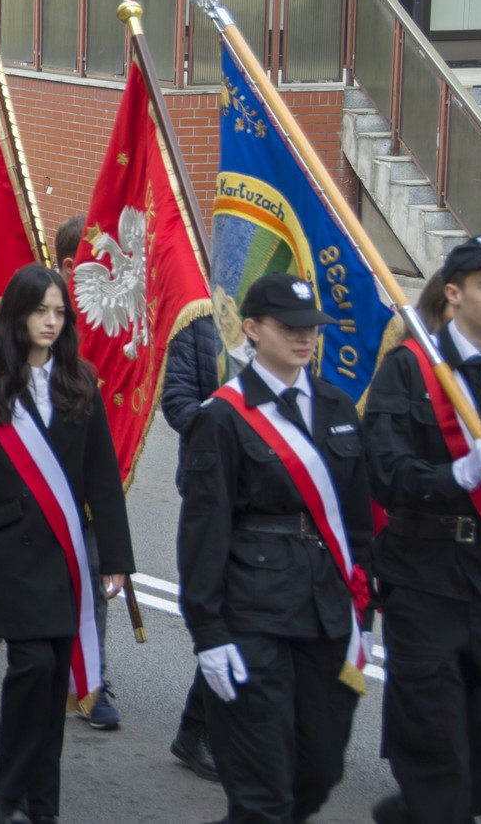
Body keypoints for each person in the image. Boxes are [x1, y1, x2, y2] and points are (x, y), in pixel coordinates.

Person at [177, 272, 374, 824]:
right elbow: (203, 532)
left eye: (311, 328)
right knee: (263, 791)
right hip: (253, 614)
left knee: (319, 769)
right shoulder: (221, 417)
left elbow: (357, 523)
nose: (305, 338)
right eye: (290, 327)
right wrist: (209, 635)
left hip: (327, 615)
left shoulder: (336, 407)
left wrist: (365, 607)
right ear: (253, 330)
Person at [0, 263, 133, 821]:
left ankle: (41, 802)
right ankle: (8, 785)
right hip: (7, 556)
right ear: (17, 316)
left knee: (54, 682)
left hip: (64, 556)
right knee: (32, 668)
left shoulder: (81, 381)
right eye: (39, 311)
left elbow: (103, 476)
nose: (50, 322)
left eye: (59, 313)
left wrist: (117, 559)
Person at [366, 236, 481, 824]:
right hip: (423, 579)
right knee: (433, 740)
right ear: (453, 295)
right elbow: (384, 472)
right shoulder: (409, 371)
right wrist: (457, 473)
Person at [160, 309, 225, 783]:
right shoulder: (199, 323)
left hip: (283, 500)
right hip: (215, 492)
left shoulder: (291, 327)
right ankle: (198, 729)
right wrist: (228, 421)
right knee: (226, 618)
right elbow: (177, 401)